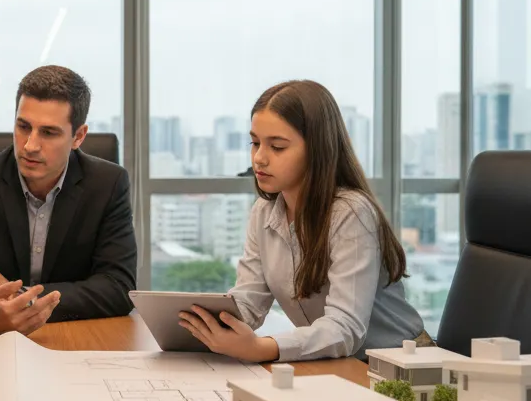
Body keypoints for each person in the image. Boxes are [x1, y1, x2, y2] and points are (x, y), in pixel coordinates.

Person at [178, 80, 430, 362]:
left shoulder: (350, 212)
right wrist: (206, 323)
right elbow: (250, 301)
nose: (259, 158)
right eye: (255, 143)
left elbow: (345, 327)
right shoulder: (263, 212)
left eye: (277, 147)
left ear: (317, 150)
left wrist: (262, 348)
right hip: (337, 365)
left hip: (403, 367)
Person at [0, 66, 137, 334]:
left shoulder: (107, 184)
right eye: (23, 127)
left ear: (78, 136)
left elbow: (117, 287)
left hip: (73, 340)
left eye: (48, 133)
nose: (30, 146)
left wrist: (23, 296)